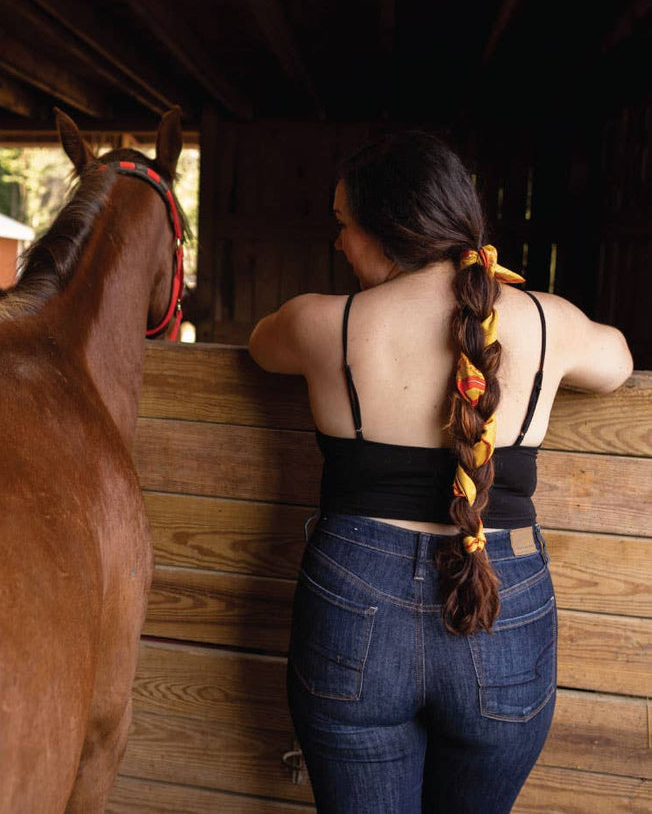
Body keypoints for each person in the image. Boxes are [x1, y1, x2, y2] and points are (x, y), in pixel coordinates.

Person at [248, 132, 633, 814]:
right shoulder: (550, 323)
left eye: (344, 225)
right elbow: (620, 362)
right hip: (501, 597)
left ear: (386, 229)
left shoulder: (321, 324)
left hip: (354, 598)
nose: (339, 243)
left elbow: (258, 343)